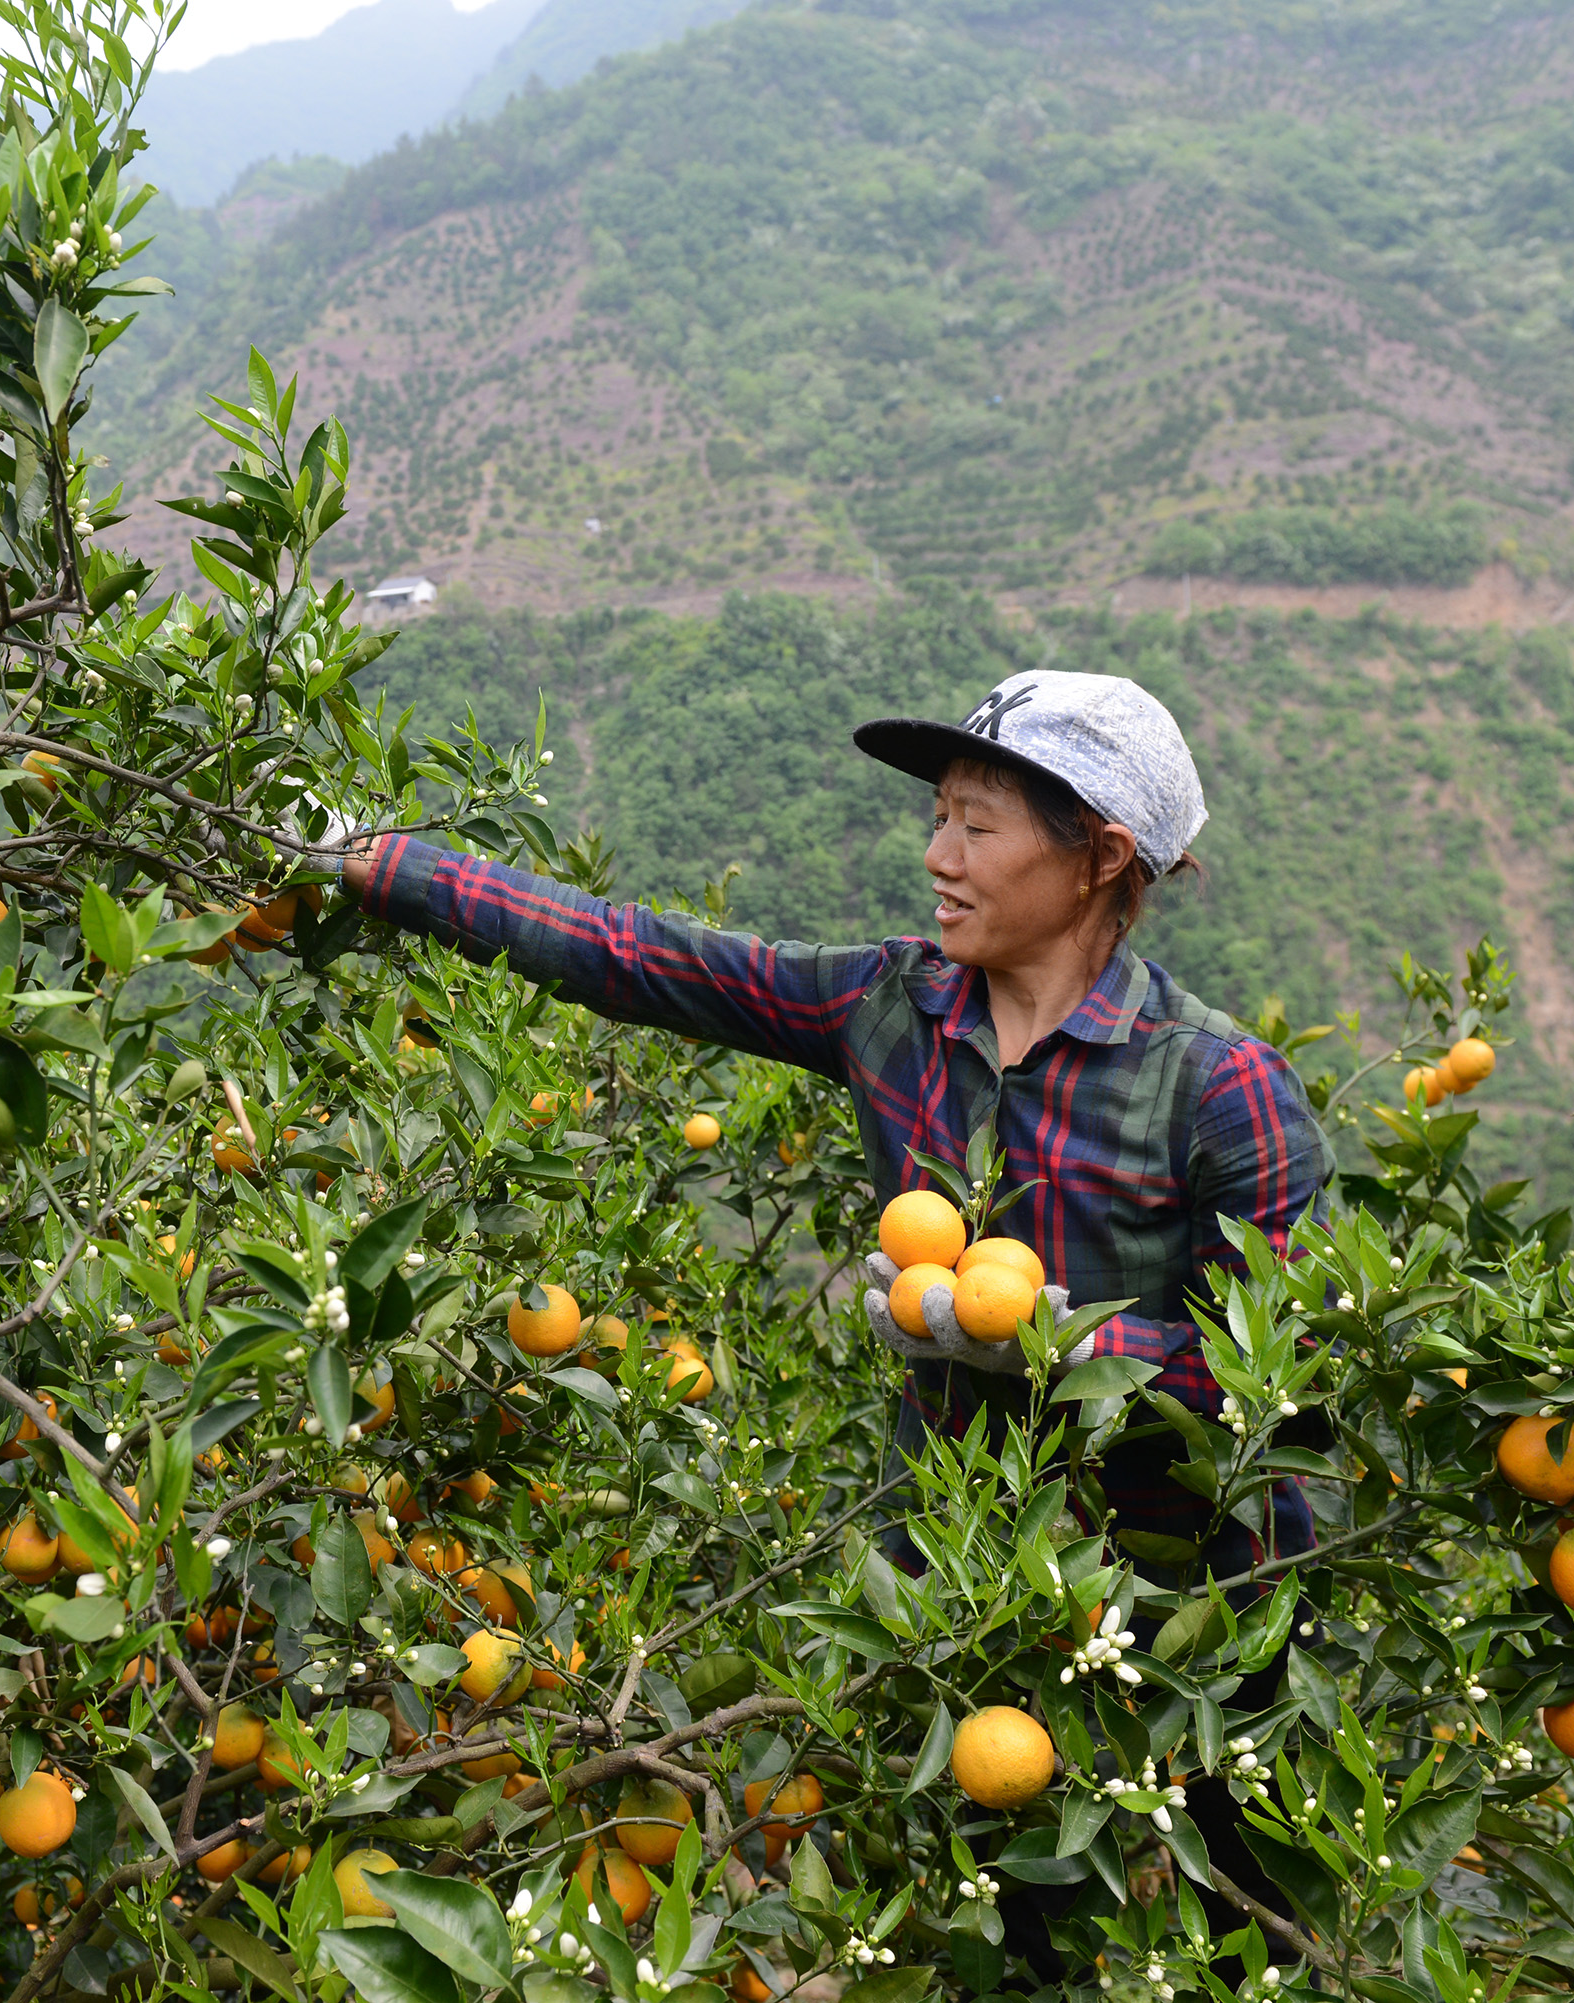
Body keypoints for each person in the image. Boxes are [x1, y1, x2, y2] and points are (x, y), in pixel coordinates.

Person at [338, 668, 1327, 1949]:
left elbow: (1283, 1383)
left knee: (1251, 1936)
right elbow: (638, 956)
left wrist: (1044, 1337)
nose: (940, 856)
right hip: (965, 1596)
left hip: (1204, 1617)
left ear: (1101, 856)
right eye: (941, 817)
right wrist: (384, 864)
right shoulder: (887, 1007)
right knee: (995, 1935)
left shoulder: (1219, 1088)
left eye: (980, 824)